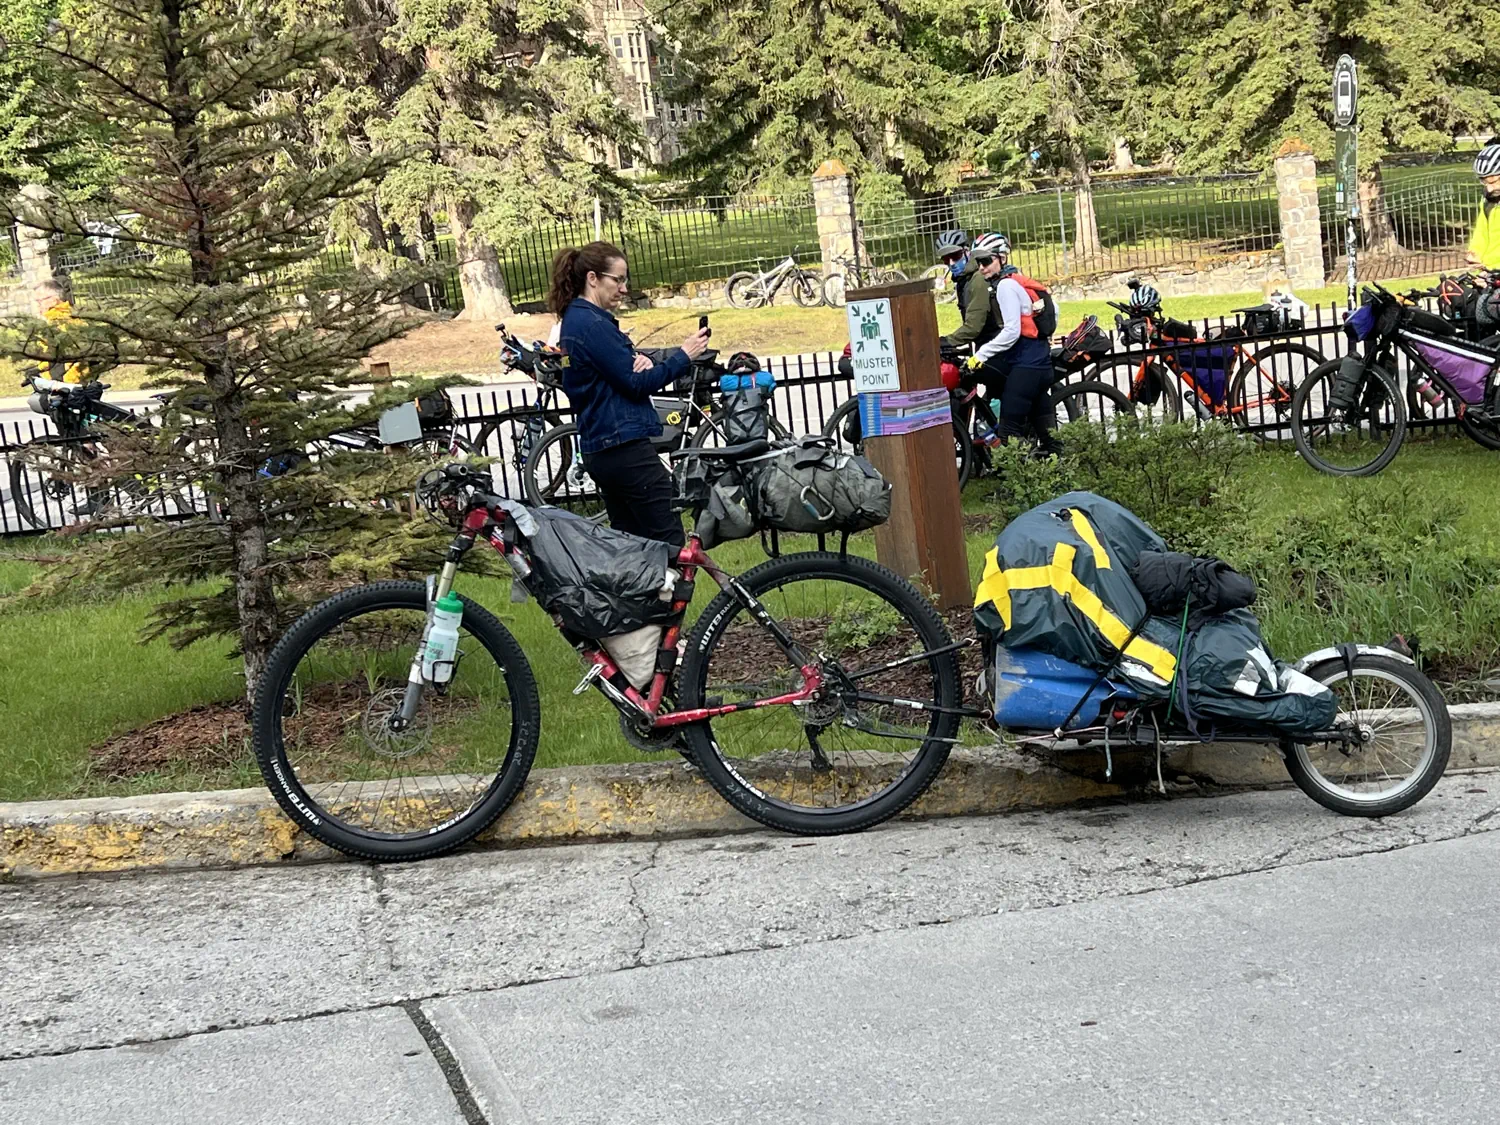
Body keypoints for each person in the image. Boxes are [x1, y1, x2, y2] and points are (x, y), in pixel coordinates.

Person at [548, 241, 710, 548]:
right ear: (593, 278)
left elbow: (613, 374)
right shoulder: (592, 325)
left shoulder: (577, 320)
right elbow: (635, 385)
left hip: (603, 448)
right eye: (618, 280)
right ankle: (671, 583)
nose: (624, 288)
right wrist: (684, 356)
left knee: (632, 546)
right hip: (622, 449)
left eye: (625, 280)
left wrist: (641, 362)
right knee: (668, 540)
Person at [963, 239, 1059, 453]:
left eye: (986, 261)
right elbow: (1055, 310)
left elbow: (1011, 332)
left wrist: (980, 355)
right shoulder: (1019, 280)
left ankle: (1020, 474)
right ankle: (1058, 469)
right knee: (1050, 437)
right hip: (1041, 364)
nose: (982, 268)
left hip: (1026, 367)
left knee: (1009, 433)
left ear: (1002, 258)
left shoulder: (1005, 287)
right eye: (979, 263)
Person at [1466, 142, 1500, 271]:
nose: (1489, 188)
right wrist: (1476, 253)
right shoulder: (1489, 199)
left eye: (1493, 181)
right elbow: (1482, 230)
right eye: (1484, 182)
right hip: (1490, 272)